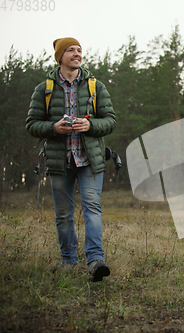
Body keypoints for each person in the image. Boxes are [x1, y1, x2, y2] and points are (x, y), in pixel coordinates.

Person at [26, 37, 116, 281]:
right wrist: (54, 128)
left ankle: (96, 260)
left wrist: (90, 124)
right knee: (63, 214)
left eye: (79, 50)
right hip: (59, 161)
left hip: (90, 160)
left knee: (92, 209)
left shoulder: (96, 86)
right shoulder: (44, 89)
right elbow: (32, 125)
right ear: (60, 56)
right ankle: (68, 261)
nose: (77, 54)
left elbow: (110, 120)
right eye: (71, 50)